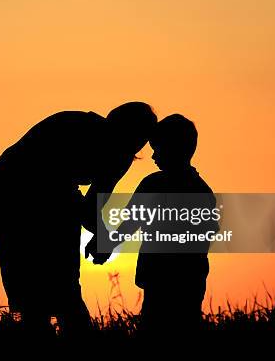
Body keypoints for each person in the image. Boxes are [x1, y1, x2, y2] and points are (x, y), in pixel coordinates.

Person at [0, 102, 157, 336]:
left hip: (59, 196)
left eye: (139, 141)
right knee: (25, 281)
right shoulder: (73, 124)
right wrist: (102, 236)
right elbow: (67, 198)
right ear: (114, 124)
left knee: (65, 285)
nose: (132, 146)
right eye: (132, 137)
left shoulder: (121, 156)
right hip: (10, 193)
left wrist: (103, 237)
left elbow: (92, 205)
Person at [88, 114, 217, 331]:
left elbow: (130, 223)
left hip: (164, 275)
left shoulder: (154, 184)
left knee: (155, 328)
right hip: (187, 277)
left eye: (158, 149)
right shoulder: (201, 190)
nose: (154, 156)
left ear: (173, 149)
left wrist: (106, 245)